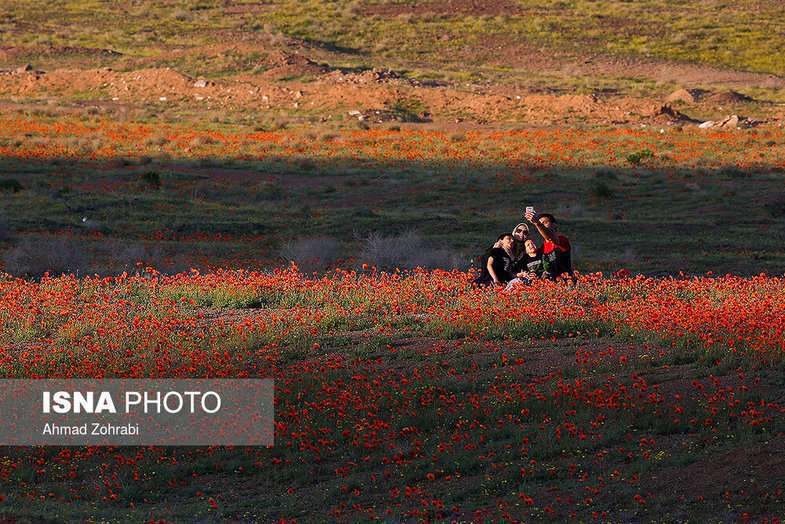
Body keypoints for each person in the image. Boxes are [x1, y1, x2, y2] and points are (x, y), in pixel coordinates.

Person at [524, 211, 573, 281]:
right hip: (550, 285)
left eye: (545, 222)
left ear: (554, 225)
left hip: (565, 281)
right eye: (541, 223)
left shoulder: (562, 239)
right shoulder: (543, 247)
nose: (542, 225)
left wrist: (537, 223)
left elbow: (550, 238)